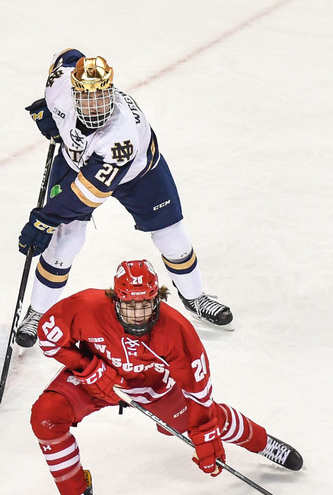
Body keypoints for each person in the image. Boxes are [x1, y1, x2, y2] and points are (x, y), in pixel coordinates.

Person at [30, 259, 300, 495]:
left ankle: (263, 442)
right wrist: (86, 365)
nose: (137, 315)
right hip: (98, 377)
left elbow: (198, 392)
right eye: (130, 306)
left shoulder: (176, 330)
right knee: (46, 417)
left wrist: (204, 432)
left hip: (151, 386)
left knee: (204, 422)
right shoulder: (86, 307)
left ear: (158, 298)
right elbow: (48, 337)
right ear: (115, 299)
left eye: (145, 305)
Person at [15, 49, 233, 348]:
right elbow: (68, 56)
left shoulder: (120, 136)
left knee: (172, 238)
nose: (95, 107)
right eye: (87, 99)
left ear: (111, 91)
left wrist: (45, 219)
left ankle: (195, 297)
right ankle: (37, 312)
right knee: (65, 243)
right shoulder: (60, 85)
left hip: (139, 176)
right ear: (74, 92)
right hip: (75, 162)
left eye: (101, 98)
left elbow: (86, 195)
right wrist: (52, 117)